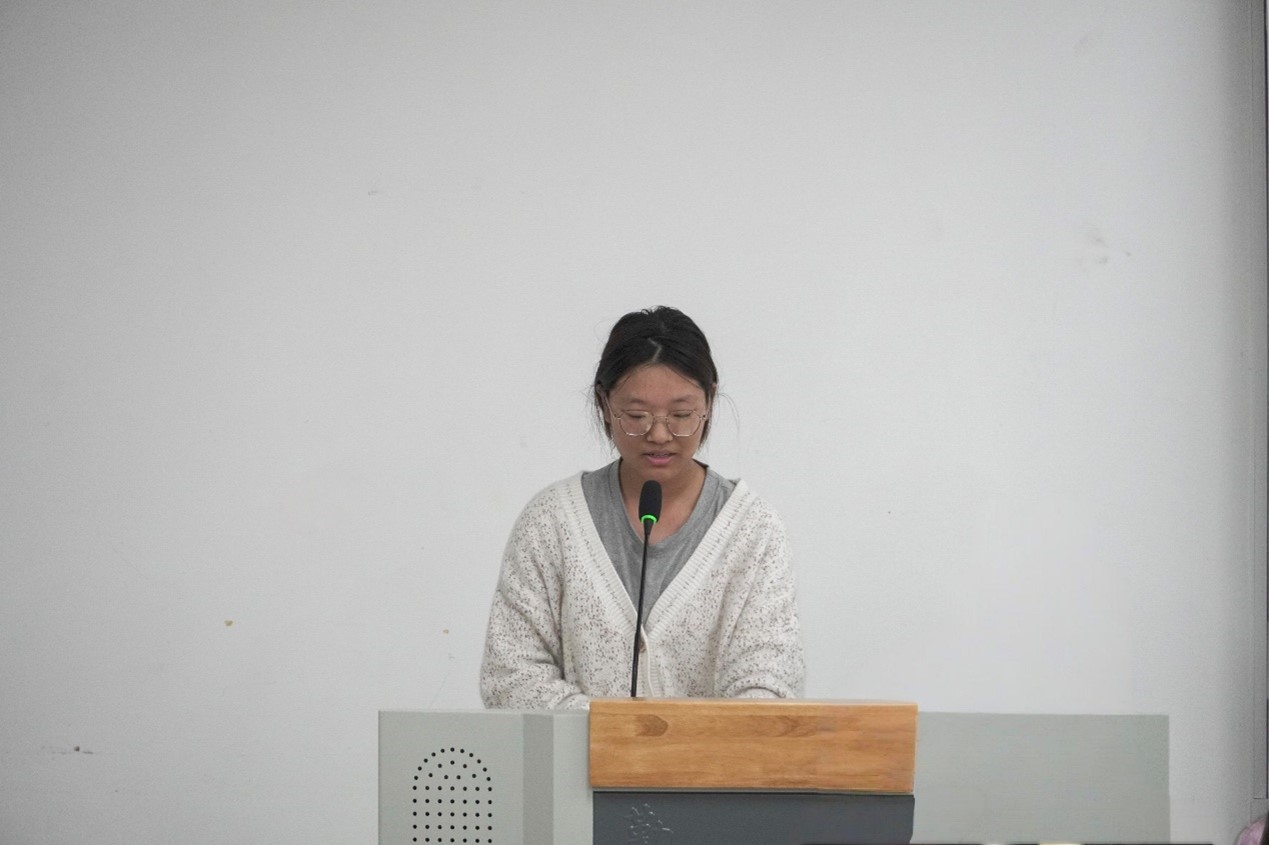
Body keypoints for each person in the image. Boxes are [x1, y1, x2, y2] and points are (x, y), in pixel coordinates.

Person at [479, 306, 805, 709]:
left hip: (716, 755)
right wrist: (620, 734)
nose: (659, 434)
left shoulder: (754, 529)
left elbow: (768, 687)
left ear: (710, 402)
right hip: (580, 756)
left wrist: (679, 740)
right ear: (603, 403)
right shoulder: (551, 521)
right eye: (636, 416)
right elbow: (511, 679)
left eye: (681, 415)